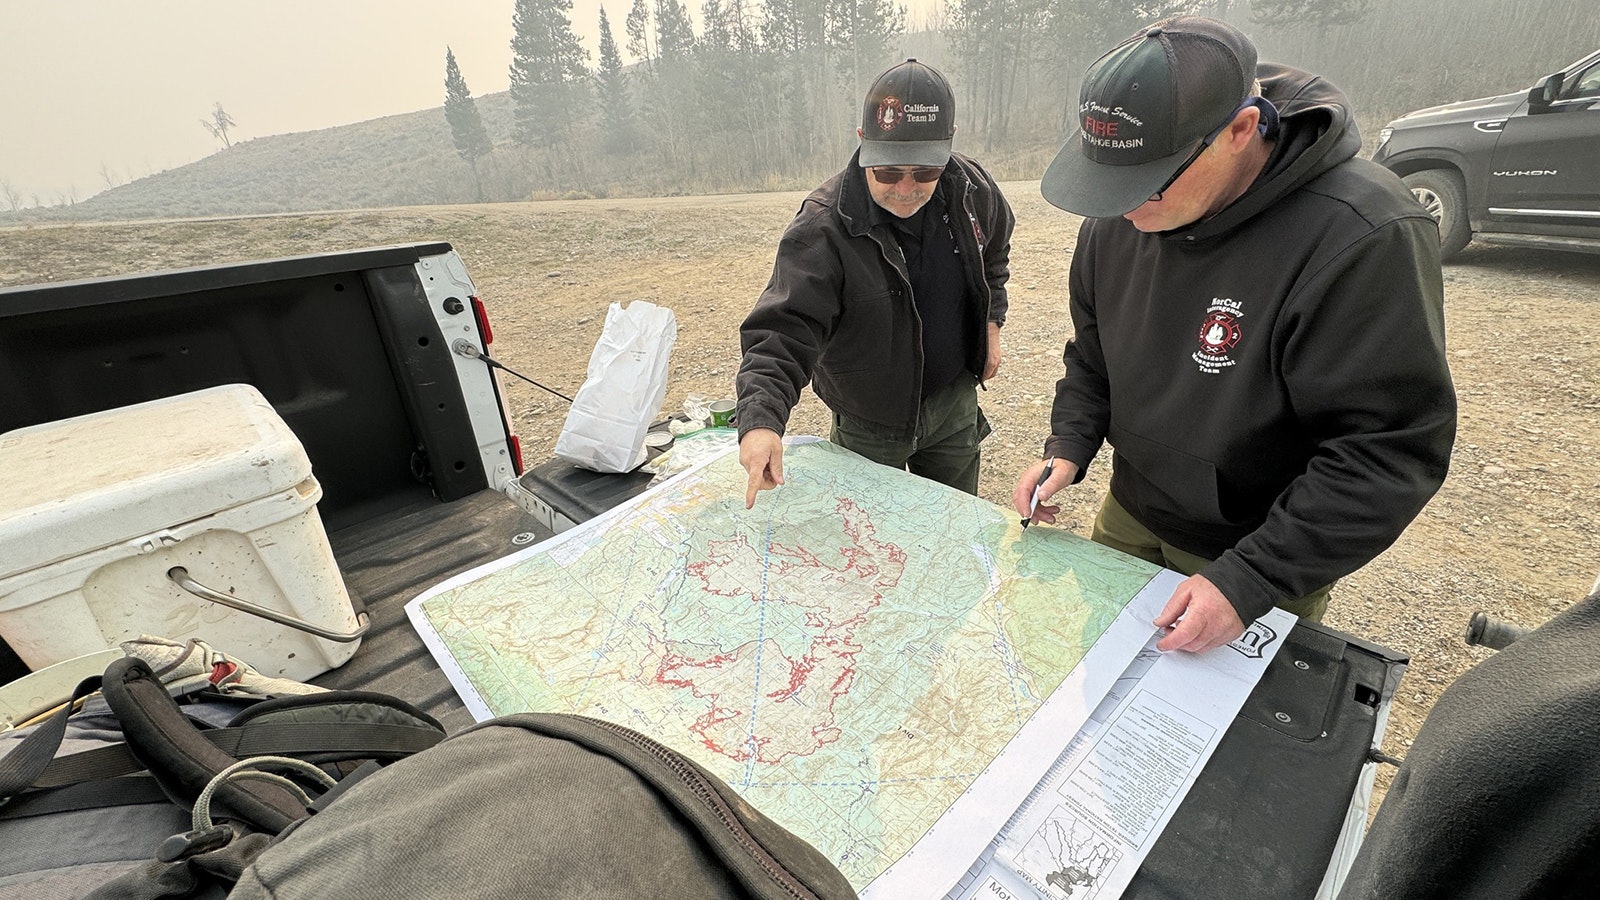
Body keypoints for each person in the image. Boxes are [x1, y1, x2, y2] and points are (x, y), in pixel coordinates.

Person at [1013, 17, 1456, 653]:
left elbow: (1386, 447)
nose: (1126, 208)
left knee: (1218, 734)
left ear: (1241, 130)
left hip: (1255, 547)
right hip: (1131, 510)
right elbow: (1093, 354)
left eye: (1149, 183)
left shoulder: (1361, 234)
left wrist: (1251, 579)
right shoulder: (1120, 214)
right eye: (1110, 184)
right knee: (1098, 688)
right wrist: (1072, 442)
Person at [736, 58, 1014, 509]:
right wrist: (761, 420)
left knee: (955, 527)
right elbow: (784, 331)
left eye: (924, 171)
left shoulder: (972, 190)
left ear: (947, 148)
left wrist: (991, 323)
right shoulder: (822, 227)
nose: (906, 188)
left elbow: (995, 253)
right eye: (887, 172)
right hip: (868, 422)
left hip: (953, 405)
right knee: (871, 543)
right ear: (864, 143)